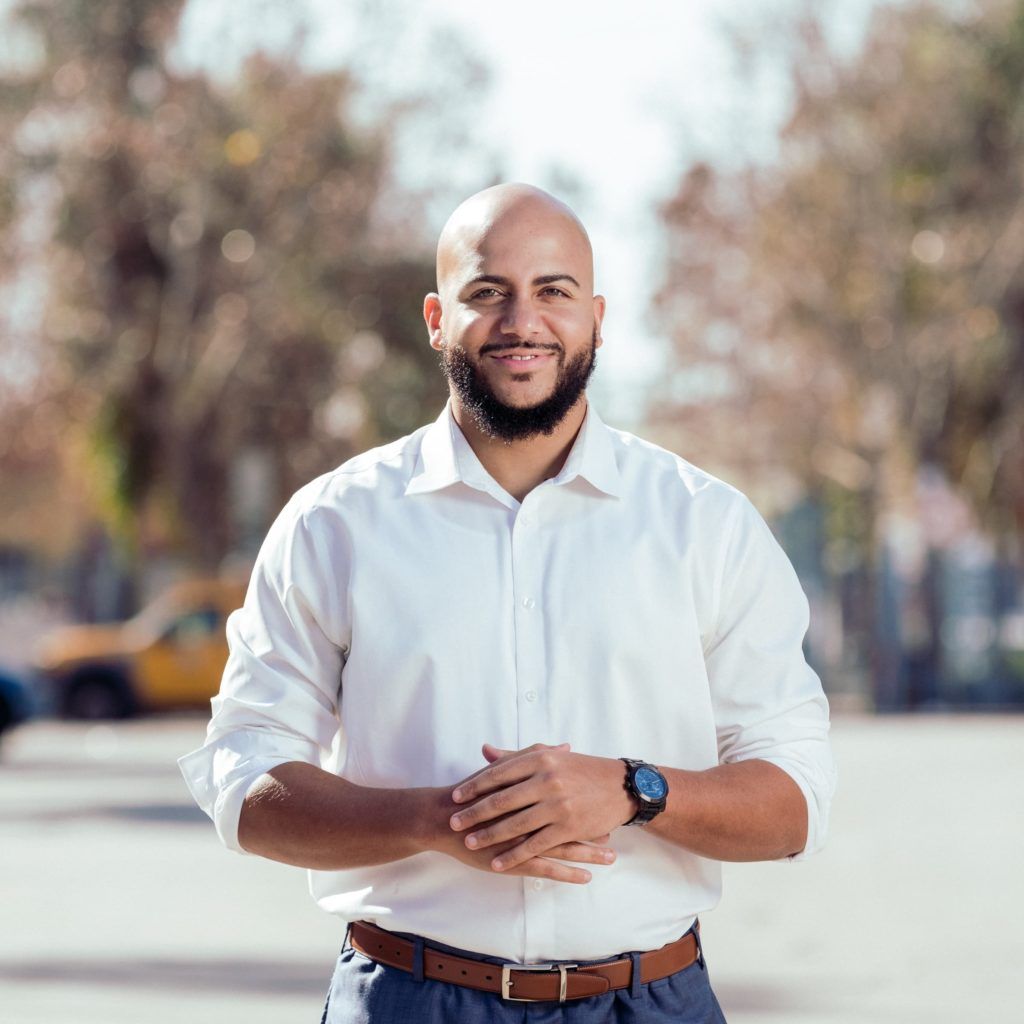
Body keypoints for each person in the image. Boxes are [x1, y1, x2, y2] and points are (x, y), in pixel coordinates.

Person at [178, 182, 836, 1023]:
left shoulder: (705, 524)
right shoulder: (334, 523)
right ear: (435, 317)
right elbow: (244, 781)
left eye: (554, 291)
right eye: (488, 292)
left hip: (651, 1001)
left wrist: (635, 789)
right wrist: (434, 821)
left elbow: (796, 801)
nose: (522, 320)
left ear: (597, 316)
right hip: (408, 1000)